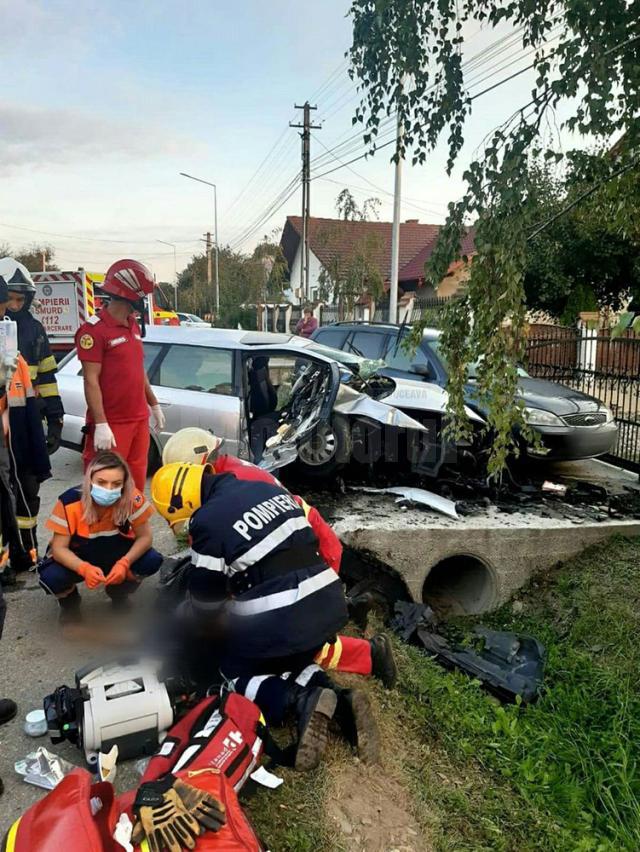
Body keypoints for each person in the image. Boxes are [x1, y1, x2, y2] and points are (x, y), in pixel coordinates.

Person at [152, 461, 380, 771]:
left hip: (284, 611)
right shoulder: (264, 489)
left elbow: (206, 604)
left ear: (184, 502)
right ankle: (340, 700)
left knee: (230, 668)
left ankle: (292, 700)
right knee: (285, 656)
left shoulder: (206, 520)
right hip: (328, 602)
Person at [161, 427, 397, 687]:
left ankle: (366, 653)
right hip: (299, 547)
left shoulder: (229, 488)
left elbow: (217, 566)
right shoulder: (230, 475)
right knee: (293, 621)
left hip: (304, 551)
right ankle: (352, 623)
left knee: (287, 633)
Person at [39, 451, 163, 623]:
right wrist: (83, 568)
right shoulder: (69, 501)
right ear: (89, 480)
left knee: (151, 560)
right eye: (101, 482)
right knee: (52, 577)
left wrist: (124, 563)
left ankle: (118, 593)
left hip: (115, 553)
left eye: (116, 484)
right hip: (79, 555)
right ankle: (70, 602)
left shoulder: (132, 498)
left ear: (124, 484)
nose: (109, 489)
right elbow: (59, 548)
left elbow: (145, 538)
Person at [74, 259, 165, 491]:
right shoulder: (94, 331)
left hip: (138, 421)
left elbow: (137, 369)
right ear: (130, 295)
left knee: (134, 489)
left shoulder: (131, 324)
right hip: (113, 424)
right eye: (143, 297)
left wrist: (153, 404)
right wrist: (102, 423)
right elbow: (90, 379)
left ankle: (131, 528)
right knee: (106, 488)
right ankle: (105, 529)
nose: (144, 303)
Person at [0, 258, 58, 572]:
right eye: (10, 298)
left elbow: (47, 375)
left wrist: (56, 418)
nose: (14, 305)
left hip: (26, 423)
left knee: (29, 488)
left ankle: (29, 551)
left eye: (21, 299)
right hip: (4, 423)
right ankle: (6, 559)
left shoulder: (34, 330)